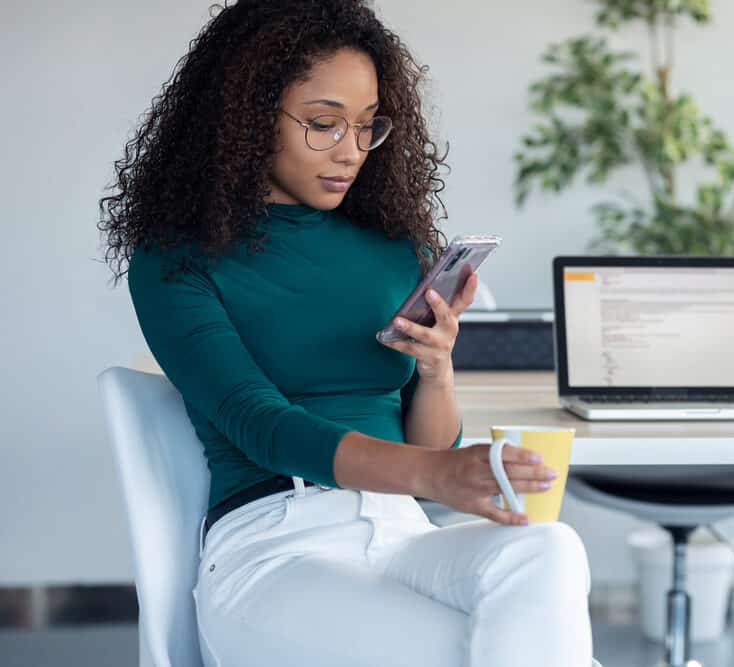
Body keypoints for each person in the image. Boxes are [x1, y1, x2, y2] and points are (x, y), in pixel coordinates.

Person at [98, 1, 597, 665]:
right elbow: (261, 424)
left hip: (403, 531)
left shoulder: (393, 246)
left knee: (550, 550)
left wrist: (436, 369)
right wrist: (438, 470)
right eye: (323, 124)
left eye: (367, 127)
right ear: (246, 118)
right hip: (275, 550)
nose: (351, 152)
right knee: (486, 651)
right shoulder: (178, 260)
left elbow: (428, 450)